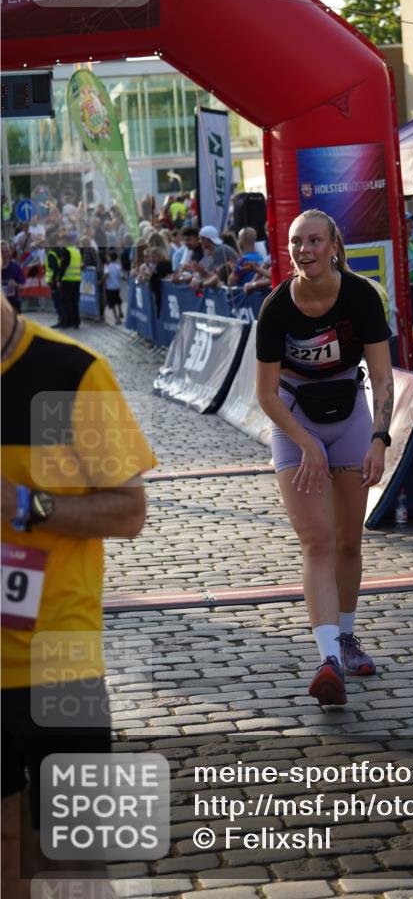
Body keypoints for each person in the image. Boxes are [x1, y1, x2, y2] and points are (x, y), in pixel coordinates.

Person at [0, 291, 155, 891]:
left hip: (58, 658)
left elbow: (127, 511)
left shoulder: (71, 373)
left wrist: (24, 504)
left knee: (72, 858)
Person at [255, 209, 393, 707]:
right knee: (316, 542)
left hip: (350, 414)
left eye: (314, 241)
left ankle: (349, 635)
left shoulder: (360, 296)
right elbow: (266, 395)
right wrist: (306, 442)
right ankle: (328, 656)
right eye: (296, 243)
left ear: (334, 245)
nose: (304, 250)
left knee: (348, 543)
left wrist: (380, 437)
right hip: (294, 417)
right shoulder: (275, 307)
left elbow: (381, 378)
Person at [1, 240, 26, 312]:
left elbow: (23, 286)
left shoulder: (15, 267)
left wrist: (15, 285)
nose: (5, 254)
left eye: (7, 251)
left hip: (13, 303)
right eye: (2, 252)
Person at [104, 249, 124, 324]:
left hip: (110, 287)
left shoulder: (107, 266)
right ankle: (120, 311)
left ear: (109, 258)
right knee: (118, 300)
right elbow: (121, 276)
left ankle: (116, 318)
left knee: (112, 304)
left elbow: (106, 274)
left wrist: (101, 281)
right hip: (117, 286)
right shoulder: (118, 266)